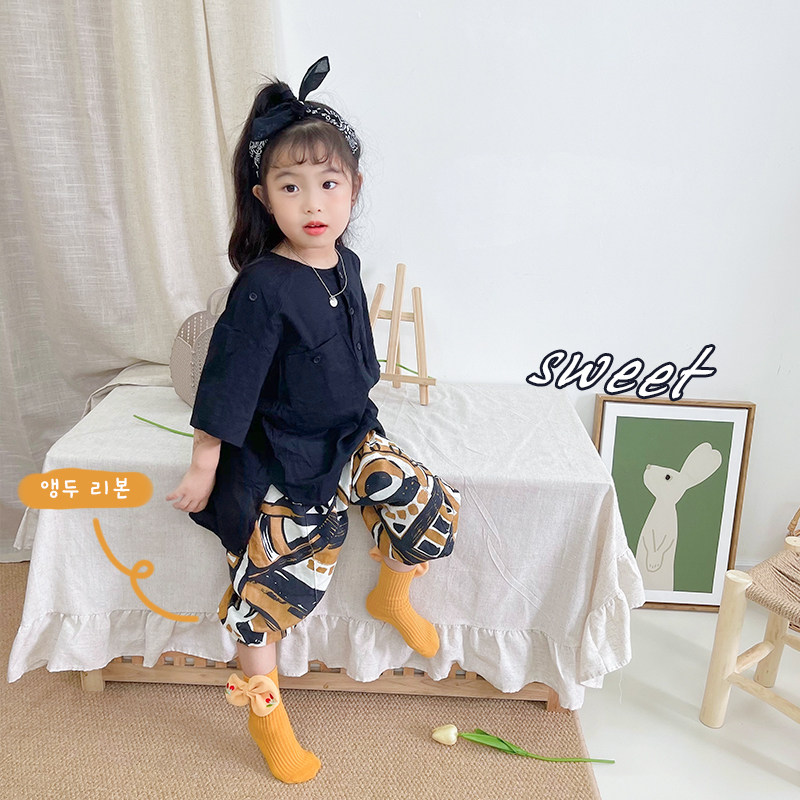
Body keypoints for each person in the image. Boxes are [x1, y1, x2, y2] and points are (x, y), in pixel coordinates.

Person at [166, 56, 460, 784]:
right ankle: (267, 719)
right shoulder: (263, 287)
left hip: (349, 433)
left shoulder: (346, 263)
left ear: (353, 188)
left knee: (425, 501)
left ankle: (393, 592)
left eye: (328, 184)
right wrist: (204, 464)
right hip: (284, 453)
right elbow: (229, 380)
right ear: (264, 198)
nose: (312, 203)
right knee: (267, 593)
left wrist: (365, 423)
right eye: (291, 187)